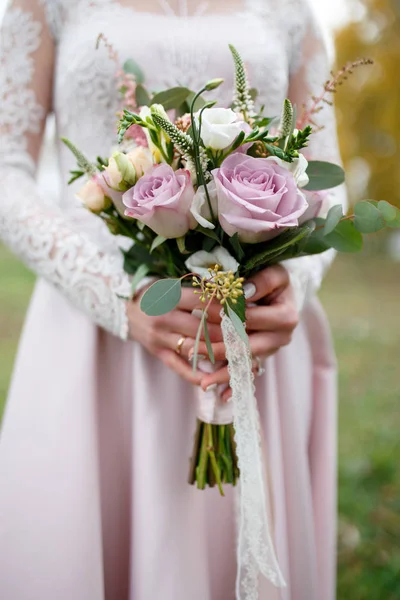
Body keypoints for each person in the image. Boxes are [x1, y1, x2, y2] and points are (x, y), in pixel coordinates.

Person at [0, 1, 347, 599]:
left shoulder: (289, 9)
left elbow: (327, 178)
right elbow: (7, 169)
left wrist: (289, 284)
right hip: (96, 333)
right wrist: (116, 296)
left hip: (251, 325)